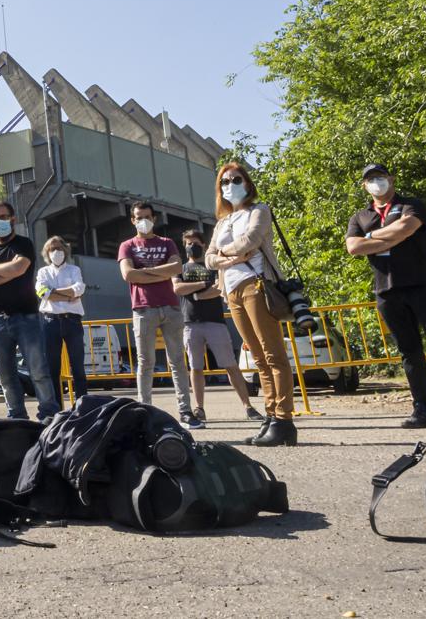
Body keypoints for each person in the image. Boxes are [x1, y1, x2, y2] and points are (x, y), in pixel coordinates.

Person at [346, 163, 426, 427]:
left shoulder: (412, 204)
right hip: (387, 291)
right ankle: (423, 409)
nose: (376, 182)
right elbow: (354, 247)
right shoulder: (359, 216)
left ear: (391, 179)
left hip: (423, 286)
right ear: (364, 186)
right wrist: (388, 237)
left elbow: (407, 228)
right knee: (409, 351)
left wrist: (373, 238)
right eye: (370, 179)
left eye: (380, 177)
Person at [206, 164, 297, 446]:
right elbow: (208, 258)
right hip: (231, 290)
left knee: (273, 355)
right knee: (257, 358)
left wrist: (224, 253)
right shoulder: (222, 222)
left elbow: (253, 240)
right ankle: (270, 415)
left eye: (236, 179)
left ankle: (284, 420)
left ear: (247, 183)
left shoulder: (259, 210)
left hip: (256, 285)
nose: (230, 185)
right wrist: (228, 257)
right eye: (224, 181)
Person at [0, 201, 59, 420]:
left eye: (3, 217)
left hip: (26, 318)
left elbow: (19, 268)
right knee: (6, 376)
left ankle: (49, 414)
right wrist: (6, 273)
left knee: (38, 371)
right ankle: (17, 416)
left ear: (12, 219)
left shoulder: (23, 244)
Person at [118, 201, 200, 429]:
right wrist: (159, 273)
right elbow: (128, 274)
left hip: (171, 308)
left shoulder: (167, 243)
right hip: (143, 308)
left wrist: (144, 273)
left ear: (154, 218)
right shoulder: (127, 245)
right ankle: (144, 411)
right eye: (138, 216)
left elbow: (176, 268)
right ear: (132, 220)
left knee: (177, 362)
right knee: (145, 362)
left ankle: (185, 411)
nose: (142, 220)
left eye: (146, 216)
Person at [173, 229, 263, 422]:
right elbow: (177, 288)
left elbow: (219, 288)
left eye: (195, 242)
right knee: (195, 368)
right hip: (190, 323)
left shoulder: (213, 266)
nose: (192, 246)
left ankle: (248, 407)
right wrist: (203, 286)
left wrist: (196, 294)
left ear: (204, 245)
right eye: (188, 243)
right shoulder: (180, 268)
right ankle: (199, 408)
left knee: (230, 365)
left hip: (216, 322)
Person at [36, 236, 89, 403]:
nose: (56, 252)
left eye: (59, 248)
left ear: (65, 250)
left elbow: (79, 289)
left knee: (78, 368)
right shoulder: (43, 272)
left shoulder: (74, 270)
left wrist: (54, 293)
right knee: (52, 369)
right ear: (47, 253)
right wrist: (68, 296)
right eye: (52, 249)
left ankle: (82, 407)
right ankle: (56, 408)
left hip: (72, 322)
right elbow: (42, 292)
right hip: (50, 322)